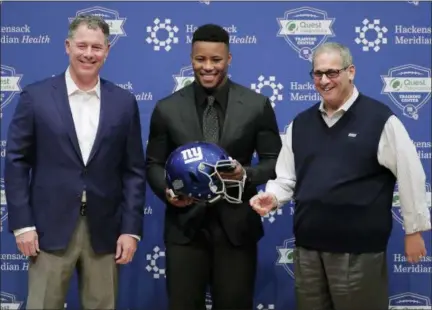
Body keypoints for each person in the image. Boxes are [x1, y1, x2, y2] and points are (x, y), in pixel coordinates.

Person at [250, 42, 431, 310]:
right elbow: (286, 178)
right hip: (308, 249)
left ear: (351, 72)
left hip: (359, 251)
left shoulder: (380, 119)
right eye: (317, 73)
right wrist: (272, 197)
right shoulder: (300, 123)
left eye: (332, 73)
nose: (324, 80)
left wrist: (413, 230)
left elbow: (410, 174)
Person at [4, 15, 146, 310]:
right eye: (82, 45)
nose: (88, 54)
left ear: (107, 51)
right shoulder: (36, 97)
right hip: (47, 230)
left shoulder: (123, 102)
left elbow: (133, 171)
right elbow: (16, 162)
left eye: (97, 47)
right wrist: (22, 225)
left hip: (105, 230)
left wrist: (130, 230)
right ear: (68, 46)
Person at [145, 24, 282, 310]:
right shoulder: (167, 108)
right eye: (200, 59)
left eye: (216, 60)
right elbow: (154, 164)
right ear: (191, 58)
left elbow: (274, 163)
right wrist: (168, 192)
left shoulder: (256, 105)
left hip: (236, 228)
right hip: (184, 230)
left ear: (229, 59)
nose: (208, 67)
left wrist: (245, 174)